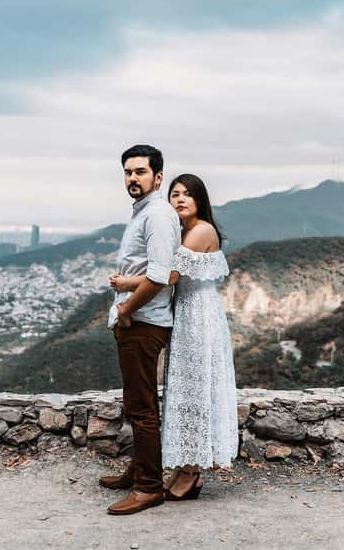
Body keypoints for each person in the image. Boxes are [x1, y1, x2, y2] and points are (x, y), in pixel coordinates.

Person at [110, 173, 238, 502]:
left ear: (200, 201)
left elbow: (168, 275)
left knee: (196, 393)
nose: (180, 199)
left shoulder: (202, 231)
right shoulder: (184, 230)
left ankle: (192, 473)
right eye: (175, 194)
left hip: (200, 320)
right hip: (186, 316)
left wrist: (126, 285)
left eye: (188, 195)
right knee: (185, 392)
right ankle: (183, 468)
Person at [98, 144, 181, 516]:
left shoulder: (159, 216)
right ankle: (138, 471)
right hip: (137, 321)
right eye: (128, 172)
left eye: (140, 172)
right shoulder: (144, 213)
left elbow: (161, 276)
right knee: (136, 403)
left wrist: (127, 309)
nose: (132, 178)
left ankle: (149, 487)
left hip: (145, 322)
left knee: (144, 408)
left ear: (157, 177)